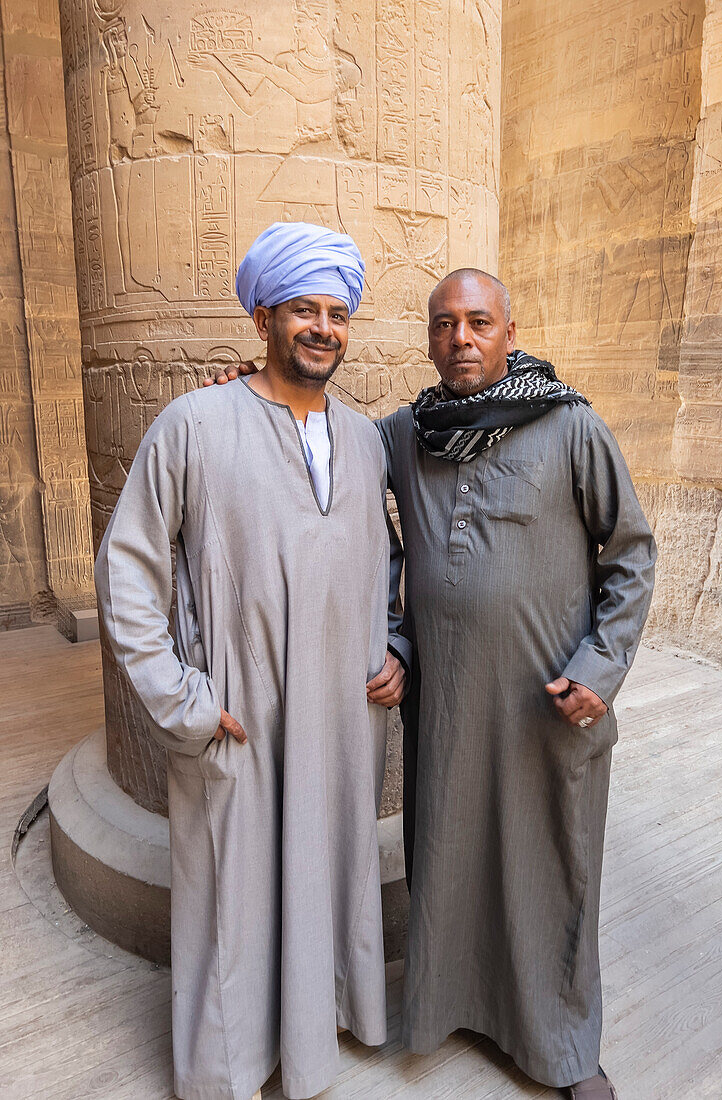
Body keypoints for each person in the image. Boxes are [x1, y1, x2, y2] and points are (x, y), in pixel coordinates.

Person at [207, 267, 656, 1100]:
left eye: (478, 322)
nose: (461, 339)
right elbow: (320, 435)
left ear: (509, 333)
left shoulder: (570, 426)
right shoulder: (405, 434)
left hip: (548, 704)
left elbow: (630, 554)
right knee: (447, 856)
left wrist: (600, 668)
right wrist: (251, 390)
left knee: (554, 866)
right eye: (444, 324)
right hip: (446, 702)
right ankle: (451, 1007)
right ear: (428, 337)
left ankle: (561, 1046)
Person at [95, 221, 409, 1100]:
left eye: (337, 312)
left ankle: (314, 1043)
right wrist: (181, 700)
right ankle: (229, 1071)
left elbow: (388, 565)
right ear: (263, 317)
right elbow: (128, 569)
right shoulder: (194, 422)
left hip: (343, 719)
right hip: (237, 715)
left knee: (322, 876)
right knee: (236, 898)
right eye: (303, 309)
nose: (323, 327)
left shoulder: (364, 441)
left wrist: (397, 647)